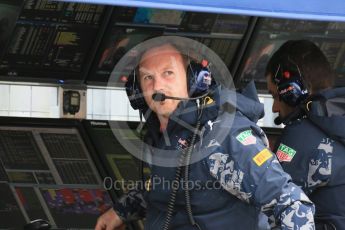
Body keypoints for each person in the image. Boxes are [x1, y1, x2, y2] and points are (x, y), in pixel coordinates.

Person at [95, 37, 315, 230]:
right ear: (136, 90)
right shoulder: (171, 134)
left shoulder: (223, 134)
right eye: (147, 78)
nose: (157, 86)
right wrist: (122, 211)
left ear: (195, 81)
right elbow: (175, 186)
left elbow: (292, 203)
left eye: (168, 73)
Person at [265, 39, 345, 229]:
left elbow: (269, 205)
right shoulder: (336, 120)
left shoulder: (300, 135)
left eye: (276, 96)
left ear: (292, 89)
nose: (275, 107)